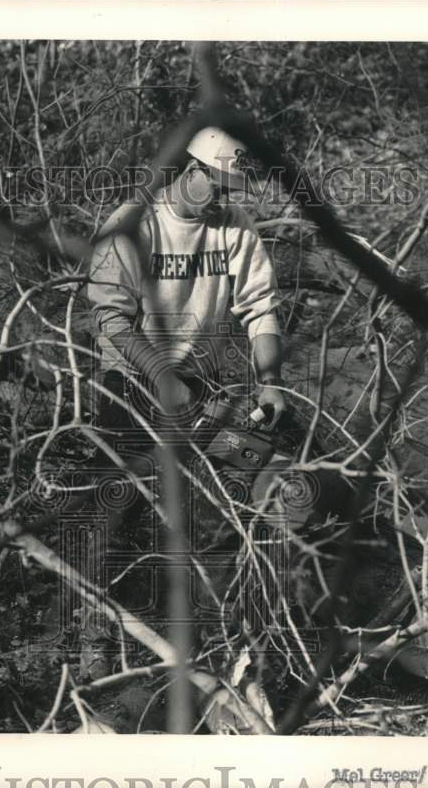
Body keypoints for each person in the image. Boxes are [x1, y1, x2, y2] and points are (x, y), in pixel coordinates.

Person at [75, 126, 289, 679]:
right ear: (190, 170)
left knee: (242, 479)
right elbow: (110, 317)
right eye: (216, 187)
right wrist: (160, 374)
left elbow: (260, 305)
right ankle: (95, 639)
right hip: (131, 382)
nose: (223, 200)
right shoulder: (132, 225)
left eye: (231, 191)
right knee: (115, 507)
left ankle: (219, 626)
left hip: (208, 388)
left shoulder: (235, 229)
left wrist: (269, 380)